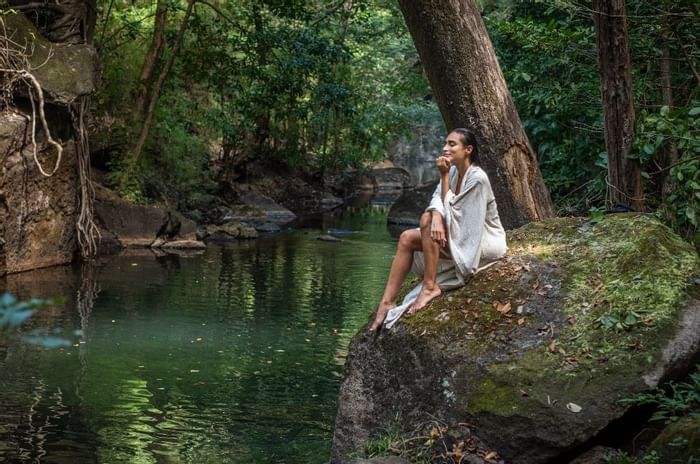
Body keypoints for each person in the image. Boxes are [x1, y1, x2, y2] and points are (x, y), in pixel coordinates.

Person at [368, 128, 507, 332]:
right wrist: (436, 215)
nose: (445, 148)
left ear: (468, 149)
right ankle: (387, 302)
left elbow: (461, 218)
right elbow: (437, 199)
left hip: (483, 240)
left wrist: (441, 187)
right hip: (460, 232)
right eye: (445, 143)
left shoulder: (478, 179)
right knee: (407, 237)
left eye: (452, 144)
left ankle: (430, 286)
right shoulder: (452, 170)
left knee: (426, 220)